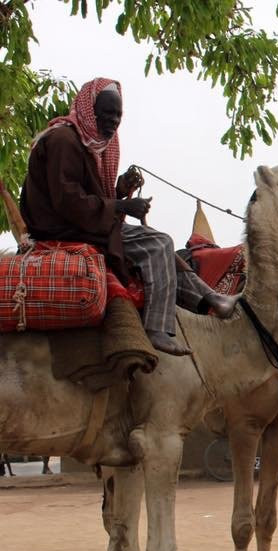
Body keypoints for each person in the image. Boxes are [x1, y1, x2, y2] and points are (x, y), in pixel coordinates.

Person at [19, 77, 238, 356]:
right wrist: (121, 207)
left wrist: (120, 191)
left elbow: (87, 195)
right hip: (63, 228)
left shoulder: (86, 143)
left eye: (118, 115)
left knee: (163, 247)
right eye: (107, 113)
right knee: (158, 243)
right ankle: (158, 328)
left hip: (79, 222)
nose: (113, 121)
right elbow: (69, 201)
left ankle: (210, 297)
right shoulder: (64, 140)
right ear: (89, 109)